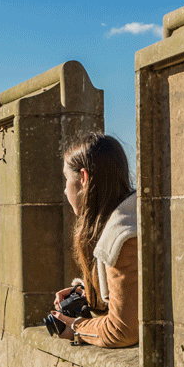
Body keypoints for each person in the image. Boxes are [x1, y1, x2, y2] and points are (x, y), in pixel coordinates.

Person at [49, 133, 139, 348]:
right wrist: (86, 291)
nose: (64, 189)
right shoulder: (131, 214)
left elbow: (122, 330)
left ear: (83, 178)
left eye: (66, 179)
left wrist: (76, 328)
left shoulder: (122, 238)